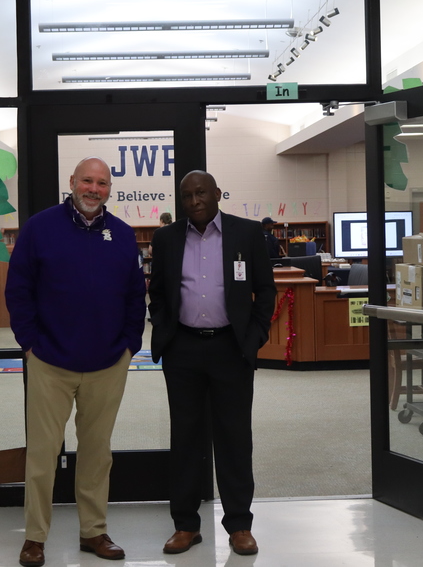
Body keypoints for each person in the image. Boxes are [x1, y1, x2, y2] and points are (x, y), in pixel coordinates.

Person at [5, 157, 147, 567]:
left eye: (102, 183)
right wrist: (29, 344)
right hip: (49, 360)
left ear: (109, 190)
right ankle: (34, 538)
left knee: (97, 453)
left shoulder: (121, 235)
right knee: (43, 454)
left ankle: (93, 532)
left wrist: (129, 345)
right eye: (87, 180)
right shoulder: (39, 228)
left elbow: (136, 294)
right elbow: (19, 290)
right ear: (72, 182)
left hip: (107, 363)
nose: (94, 188)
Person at [147, 170, 277, 557]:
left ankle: (239, 525)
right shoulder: (166, 238)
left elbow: (265, 288)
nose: (194, 201)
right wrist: (166, 331)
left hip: (230, 349)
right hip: (183, 349)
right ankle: (186, 525)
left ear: (217, 193)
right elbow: (157, 291)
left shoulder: (246, 233)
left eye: (201, 193)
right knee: (185, 438)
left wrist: (255, 336)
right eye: (186, 196)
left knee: (234, 437)